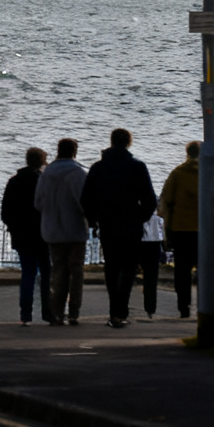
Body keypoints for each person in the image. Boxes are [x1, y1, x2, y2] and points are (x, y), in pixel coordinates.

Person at [79, 127, 159, 329]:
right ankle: (121, 310)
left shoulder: (98, 167)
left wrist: (94, 219)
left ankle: (114, 309)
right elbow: (150, 200)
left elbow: (86, 198)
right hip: (131, 225)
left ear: (111, 142)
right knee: (129, 268)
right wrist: (140, 217)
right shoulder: (138, 167)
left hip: (108, 224)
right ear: (128, 143)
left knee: (112, 267)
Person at [34, 137, 89, 327]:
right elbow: (84, 203)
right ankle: (74, 311)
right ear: (74, 151)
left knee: (58, 271)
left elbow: (38, 203)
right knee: (76, 272)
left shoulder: (46, 173)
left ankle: (56, 312)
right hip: (74, 231)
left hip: (52, 231)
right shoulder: (78, 173)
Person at [0, 148, 53, 325]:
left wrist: (14, 228)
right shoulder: (43, 180)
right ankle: (48, 312)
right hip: (42, 234)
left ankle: (25, 315)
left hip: (22, 235)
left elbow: (5, 212)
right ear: (42, 161)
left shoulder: (14, 181)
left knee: (27, 273)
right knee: (46, 274)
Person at [157, 140, 202, 318]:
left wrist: (168, 230)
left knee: (182, 270)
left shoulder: (177, 173)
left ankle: (184, 306)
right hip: (202, 229)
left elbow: (166, 202)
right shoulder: (209, 173)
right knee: (204, 269)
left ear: (187, 152)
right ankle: (204, 307)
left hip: (181, 228)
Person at [136, 210, 166, 321]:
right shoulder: (151, 198)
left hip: (134, 237)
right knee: (151, 277)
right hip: (153, 240)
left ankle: (120, 310)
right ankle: (150, 308)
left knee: (126, 274)